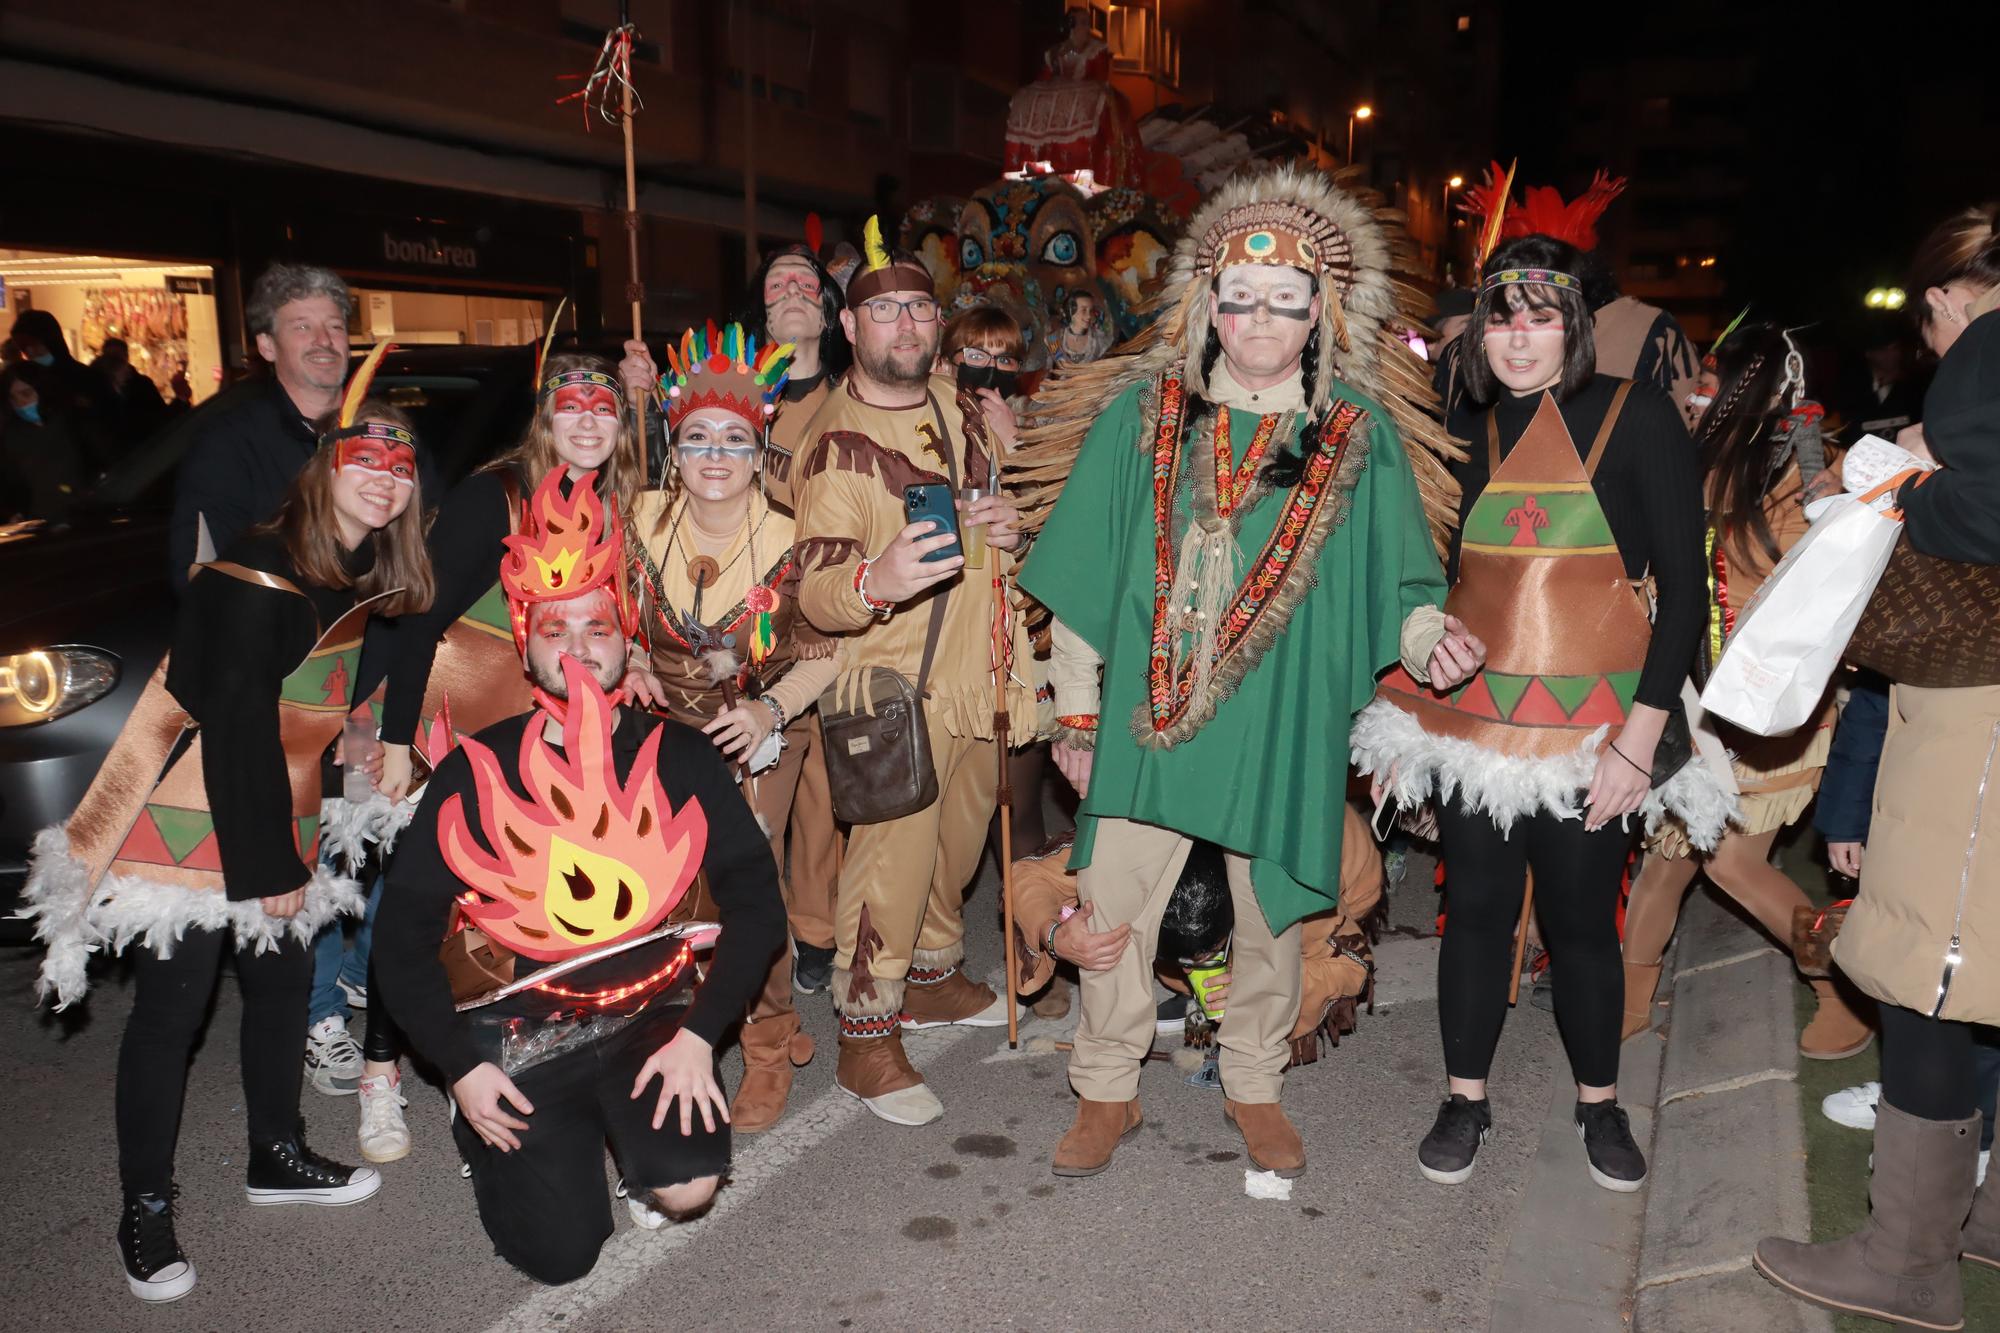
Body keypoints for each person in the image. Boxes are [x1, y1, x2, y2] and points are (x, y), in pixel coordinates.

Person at [1015, 163, 1474, 1179]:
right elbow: (1086, 588)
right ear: (1207, 305)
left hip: (1280, 715)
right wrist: (1076, 718)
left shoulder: (1353, 431)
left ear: (1317, 311)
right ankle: (1106, 1089)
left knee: (1270, 911)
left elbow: (1399, 578)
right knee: (1111, 904)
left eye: (1283, 301)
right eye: (1239, 299)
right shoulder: (1139, 419)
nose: (1259, 319)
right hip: (1146, 718)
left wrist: (1423, 638)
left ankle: (1253, 1083)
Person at [19, 393, 435, 1304]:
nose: (382, 480)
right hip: (192, 815)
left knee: (285, 985)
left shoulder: (344, 569)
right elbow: (238, 720)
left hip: (269, 805)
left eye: (399, 470)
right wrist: (267, 871)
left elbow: (298, 704)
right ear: (325, 466)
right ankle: (145, 1208)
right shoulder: (260, 567)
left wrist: (354, 749)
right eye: (364, 460)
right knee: (174, 1011)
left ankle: (275, 1153)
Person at [1355, 232, 1722, 1195]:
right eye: (1502, 318)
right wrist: (1419, 648)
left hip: (1598, 729)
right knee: (1473, 913)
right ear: (1481, 331)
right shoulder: (1454, 421)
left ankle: (1601, 1103)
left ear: (1575, 325)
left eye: (1542, 317)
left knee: (1580, 925)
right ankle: (1463, 1096)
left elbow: (1684, 595)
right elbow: (1421, 569)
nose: (1520, 338)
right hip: (1478, 725)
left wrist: (1638, 746)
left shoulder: (1637, 416)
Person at [374, 466, 784, 1285]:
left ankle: (631, 1138)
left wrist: (701, 1038)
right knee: (563, 1257)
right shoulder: (474, 771)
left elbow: (758, 905)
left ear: (626, 637)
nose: (578, 649)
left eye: (596, 628)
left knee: (690, 1187)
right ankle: (487, 1136)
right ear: (524, 643)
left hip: (648, 1017)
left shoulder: (680, 755)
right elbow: (399, 939)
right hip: (517, 1041)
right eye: (554, 631)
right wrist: (461, 1065)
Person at [1755, 203, 2000, 1332]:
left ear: (1948, 296)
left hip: (1976, 721)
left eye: (1928, 316)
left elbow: (1980, 507)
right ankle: (1979, 1217)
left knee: (1928, 973)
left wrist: (1900, 475)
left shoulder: (1987, 347)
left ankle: (1905, 1259)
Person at [330, 351, 651, 1157]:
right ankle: (379, 1077)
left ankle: (486, 1059)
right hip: (452, 723)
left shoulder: (615, 502)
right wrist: (399, 741)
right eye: (571, 406)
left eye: (603, 409)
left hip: (544, 731)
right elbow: (411, 619)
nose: (586, 422)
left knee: (517, 906)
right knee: (421, 905)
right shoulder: (496, 494)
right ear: (546, 416)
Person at [790, 221, 1033, 1125]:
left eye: (919, 309)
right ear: (849, 328)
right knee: (890, 861)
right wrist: (871, 580)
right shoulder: (834, 443)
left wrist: (1011, 520)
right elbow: (813, 590)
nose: (904, 323)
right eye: (883, 309)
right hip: (891, 685)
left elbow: (995, 498)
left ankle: (932, 975)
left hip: (978, 672)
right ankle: (865, 1036)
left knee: (956, 846)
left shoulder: (958, 404)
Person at [1619, 323, 1872, 1058]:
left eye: (1711, 377)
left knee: (1732, 863)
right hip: (1691, 697)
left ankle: (1840, 988)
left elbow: (1820, 583)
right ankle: (1631, 1003)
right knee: (1666, 857)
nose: (1696, 388)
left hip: (1769, 706)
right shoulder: (1697, 454)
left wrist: (1819, 479)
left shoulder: (1812, 466)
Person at [622, 322, 836, 1132]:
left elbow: (827, 652)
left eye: (737, 440)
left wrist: (767, 709)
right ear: (674, 449)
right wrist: (629, 658)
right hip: (657, 729)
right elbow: (601, 615)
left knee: (744, 879)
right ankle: (678, 1023)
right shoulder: (639, 520)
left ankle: (770, 1041)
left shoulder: (790, 538)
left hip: (759, 731)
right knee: (665, 887)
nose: (717, 454)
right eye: (699, 437)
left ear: (759, 450)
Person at [1009, 803, 1385, 1079]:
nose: (1196, 967)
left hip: (1344, 868)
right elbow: (1027, 877)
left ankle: (1239, 987)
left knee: (1274, 965)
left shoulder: (1290, 891)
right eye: (1187, 963)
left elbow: (1353, 966)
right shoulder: (1129, 855)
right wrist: (1054, 933)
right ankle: (1207, 985)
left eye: (1208, 953)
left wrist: (1263, 984)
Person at [168, 264, 435, 589]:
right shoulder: (228, 444)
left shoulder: (389, 435)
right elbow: (204, 577)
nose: (323, 340)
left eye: (335, 327)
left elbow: (432, 537)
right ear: (266, 346)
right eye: (303, 327)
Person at [0, 361, 86, 521]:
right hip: (39, 528)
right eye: (13, 398)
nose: (21, 403)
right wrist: (13, 512)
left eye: (26, 394)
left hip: (83, 522)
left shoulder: (74, 425)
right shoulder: (12, 437)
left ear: (43, 390)